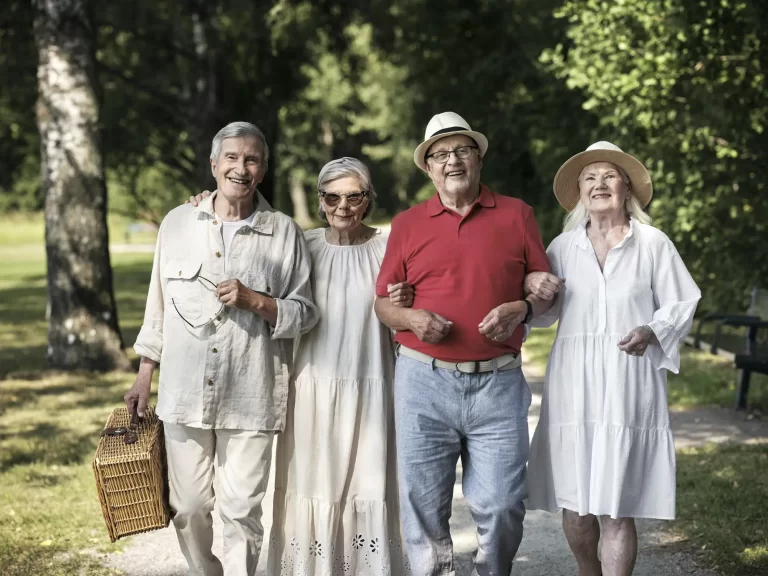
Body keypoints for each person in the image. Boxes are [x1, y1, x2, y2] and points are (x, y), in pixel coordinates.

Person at [189, 158, 414, 575]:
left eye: (353, 196)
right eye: (331, 196)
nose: (342, 206)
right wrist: (209, 200)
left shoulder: (389, 247)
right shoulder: (302, 244)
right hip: (309, 388)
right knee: (312, 485)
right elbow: (241, 241)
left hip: (374, 385)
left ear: (368, 199)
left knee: (370, 484)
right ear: (320, 199)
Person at [125, 121, 318, 576]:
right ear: (214, 165)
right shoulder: (177, 223)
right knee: (188, 507)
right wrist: (143, 374)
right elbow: (158, 303)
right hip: (184, 394)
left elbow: (306, 312)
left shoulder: (284, 232)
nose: (240, 167)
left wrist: (257, 301)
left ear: (263, 170)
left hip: (252, 394)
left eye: (251, 159)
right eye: (231, 158)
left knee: (241, 513)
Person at [373, 111, 554, 575]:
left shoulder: (518, 214)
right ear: (428, 167)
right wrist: (411, 316)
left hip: (498, 383)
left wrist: (524, 307)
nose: (452, 160)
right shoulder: (409, 224)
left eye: (462, 150)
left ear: (478, 158)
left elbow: (541, 286)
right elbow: (383, 305)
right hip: (422, 380)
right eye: (441, 154)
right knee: (423, 505)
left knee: (504, 503)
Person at [525, 141, 701, 576]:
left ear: (627, 189)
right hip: (573, 384)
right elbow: (543, 315)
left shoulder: (653, 243)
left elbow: (682, 302)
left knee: (617, 505)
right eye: (590, 178)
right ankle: (588, 571)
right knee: (576, 501)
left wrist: (652, 331)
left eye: (609, 176)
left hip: (629, 380)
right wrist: (536, 290)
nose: (599, 184)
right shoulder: (563, 247)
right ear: (580, 192)